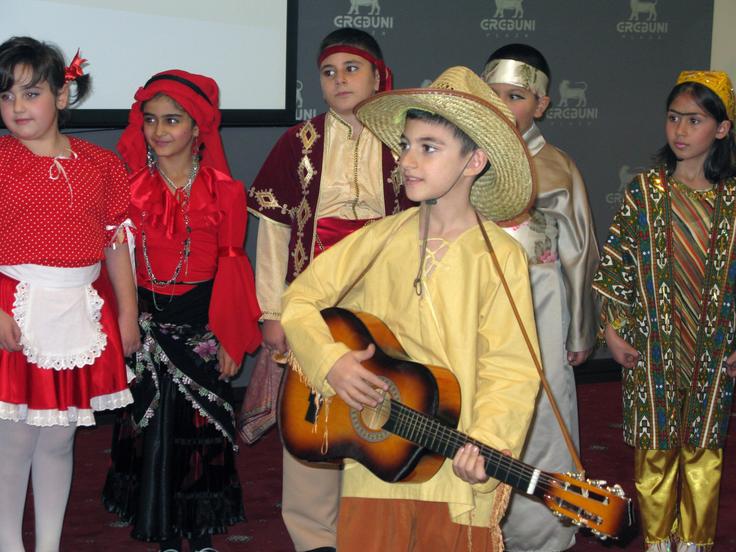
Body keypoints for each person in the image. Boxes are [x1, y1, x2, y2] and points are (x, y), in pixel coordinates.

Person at [280, 66, 541, 552]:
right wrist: (330, 361)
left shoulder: (500, 257)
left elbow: (512, 367)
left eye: (429, 147)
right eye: (405, 145)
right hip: (377, 464)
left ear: (474, 160)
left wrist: (486, 441)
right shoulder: (381, 238)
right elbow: (299, 299)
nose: (408, 160)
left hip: (455, 474)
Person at [248, 28, 411, 552]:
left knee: (382, 406)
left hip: (386, 300)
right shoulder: (298, 143)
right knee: (313, 410)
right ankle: (314, 534)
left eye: (352, 68)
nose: (340, 79)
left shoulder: (407, 142)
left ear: (379, 76)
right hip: (313, 300)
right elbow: (274, 232)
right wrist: (273, 312)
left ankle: (369, 527)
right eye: (328, 71)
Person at [102, 70, 262, 552]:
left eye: (172, 120)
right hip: (147, 323)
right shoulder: (129, 189)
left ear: (197, 128)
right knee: (152, 425)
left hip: (204, 325)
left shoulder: (226, 191)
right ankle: (165, 530)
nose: (159, 130)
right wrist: (126, 321)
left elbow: (232, 266)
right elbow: (118, 259)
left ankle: (200, 528)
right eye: (150, 119)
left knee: (202, 429)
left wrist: (230, 336)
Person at [0, 36, 139, 552]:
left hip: (78, 311)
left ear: (62, 95)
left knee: (59, 438)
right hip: (16, 308)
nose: (17, 106)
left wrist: (128, 313)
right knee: (15, 438)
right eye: (7, 95)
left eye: (31, 93)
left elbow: (115, 243)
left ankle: (49, 544)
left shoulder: (100, 163)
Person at [593, 71, 736, 552]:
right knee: (654, 450)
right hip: (652, 345)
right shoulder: (644, 193)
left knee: (704, 450)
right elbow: (615, 265)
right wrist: (613, 328)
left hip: (714, 349)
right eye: (674, 118)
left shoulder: (734, 201)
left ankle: (694, 540)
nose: (680, 130)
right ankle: (658, 540)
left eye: (694, 120)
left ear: (721, 128)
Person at [481, 44, 599, 552]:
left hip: (540, 301)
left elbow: (580, 252)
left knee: (544, 410)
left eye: (516, 96)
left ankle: (543, 532)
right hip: (478, 298)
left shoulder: (557, 167)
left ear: (542, 104)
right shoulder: (467, 157)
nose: (504, 106)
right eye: (494, 95)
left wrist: (580, 331)